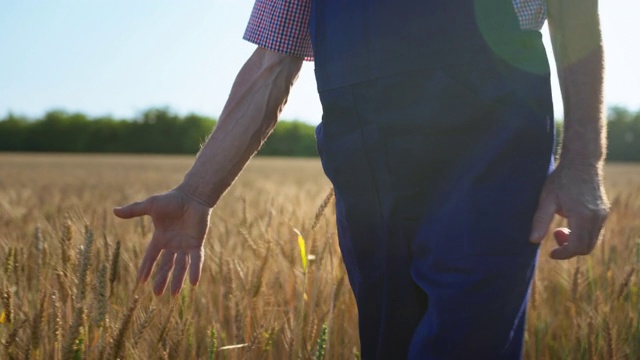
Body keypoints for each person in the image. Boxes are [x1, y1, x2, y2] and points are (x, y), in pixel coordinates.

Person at [114, 0, 609, 358]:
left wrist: (585, 159)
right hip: (368, 163)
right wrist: (197, 193)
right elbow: (273, 60)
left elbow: (574, 12)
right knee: (388, 340)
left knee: (466, 338)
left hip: (493, 150)